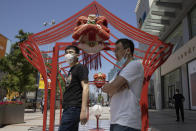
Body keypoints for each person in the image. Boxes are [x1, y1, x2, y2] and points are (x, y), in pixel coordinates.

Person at [102, 38, 144, 131]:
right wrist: (117, 86)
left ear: (128, 50)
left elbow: (112, 87)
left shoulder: (135, 64)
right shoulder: (119, 71)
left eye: (117, 49)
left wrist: (114, 87)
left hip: (127, 121)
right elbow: (106, 89)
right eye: (114, 51)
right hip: (115, 121)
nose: (115, 53)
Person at [58, 45, 89, 131]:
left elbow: (86, 87)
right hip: (69, 108)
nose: (68, 55)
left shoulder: (81, 68)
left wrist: (83, 111)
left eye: (71, 52)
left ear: (77, 55)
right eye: (66, 53)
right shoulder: (71, 70)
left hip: (73, 108)